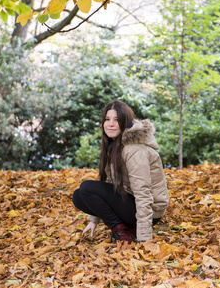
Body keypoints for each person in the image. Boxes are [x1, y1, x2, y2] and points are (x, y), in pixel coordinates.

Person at [72, 100, 169, 243]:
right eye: (107, 119)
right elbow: (109, 184)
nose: (110, 124)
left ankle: (124, 234)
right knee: (79, 196)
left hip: (150, 211)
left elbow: (143, 194)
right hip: (130, 202)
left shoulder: (134, 150)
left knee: (87, 187)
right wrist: (94, 220)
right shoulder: (114, 145)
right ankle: (124, 228)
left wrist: (144, 239)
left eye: (116, 120)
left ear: (125, 122)